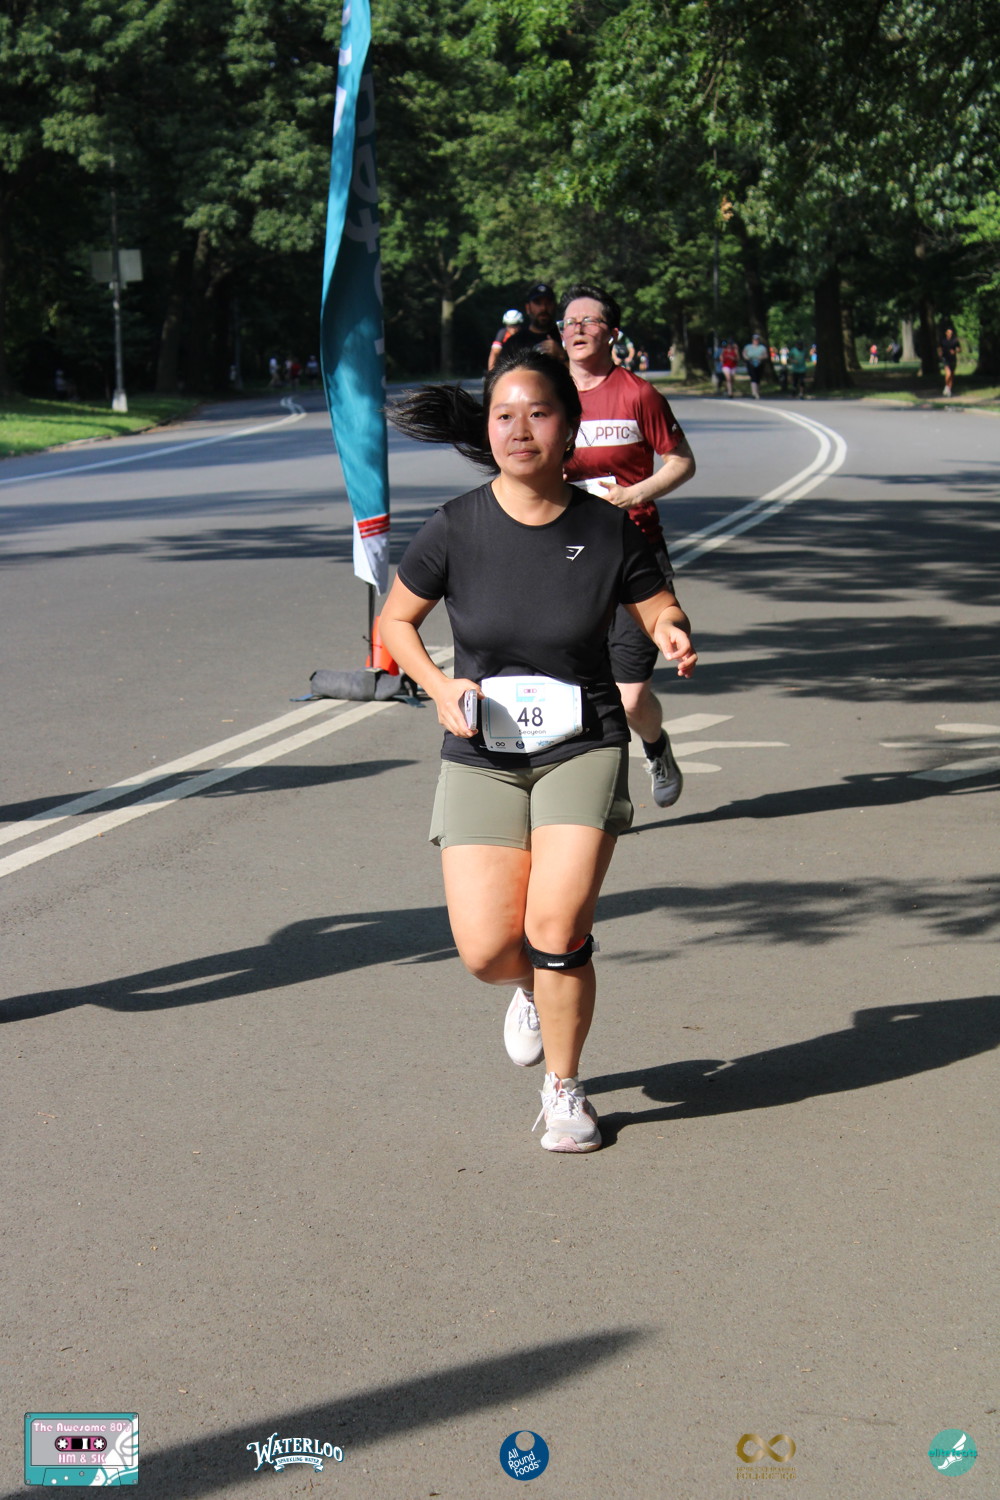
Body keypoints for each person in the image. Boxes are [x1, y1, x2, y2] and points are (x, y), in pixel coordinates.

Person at [379, 349, 697, 1152]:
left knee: (556, 929)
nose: (520, 429)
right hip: (482, 747)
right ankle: (528, 987)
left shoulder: (604, 527)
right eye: (504, 415)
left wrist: (670, 630)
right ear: (488, 431)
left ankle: (564, 1089)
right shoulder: (456, 526)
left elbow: (656, 603)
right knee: (489, 949)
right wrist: (437, 685)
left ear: (570, 426)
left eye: (539, 413)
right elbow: (395, 623)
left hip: (582, 741)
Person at [558, 283, 696, 810]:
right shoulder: (548, 395)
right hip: (566, 553)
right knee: (575, 688)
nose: (577, 329)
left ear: (612, 332)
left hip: (633, 551)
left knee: (632, 695)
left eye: (589, 321)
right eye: (569, 322)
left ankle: (655, 747)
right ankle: (600, 791)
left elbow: (681, 461)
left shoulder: (638, 394)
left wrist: (635, 493)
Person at [491, 282, 564, 364]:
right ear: (528, 308)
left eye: (548, 303)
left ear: (554, 306)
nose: (543, 308)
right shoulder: (515, 343)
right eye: (538, 303)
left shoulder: (565, 337)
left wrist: (561, 355)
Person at [742, 333, 768, 397]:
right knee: (753, 377)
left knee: (758, 377)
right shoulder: (748, 347)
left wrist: (761, 357)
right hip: (750, 363)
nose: (756, 341)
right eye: (754, 340)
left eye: (757, 340)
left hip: (759, 363)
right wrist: (747, 357)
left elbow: (766, 355)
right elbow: (744, 354)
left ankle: (757, 391)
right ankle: (754, 392)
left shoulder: (762, 347)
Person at [939, 326, 961, 397]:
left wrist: (955, 351)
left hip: (952, 358)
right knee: (948, 373)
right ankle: (946, 386)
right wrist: (940, 353)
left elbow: (959, 349)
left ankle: (949, 389)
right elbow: (940, 348)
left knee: (952, 375)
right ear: (946, 333)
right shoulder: (943, 340)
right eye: (948, 332)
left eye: (951, 333)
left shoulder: (955, 340)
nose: (950, 334)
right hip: (945, 358)